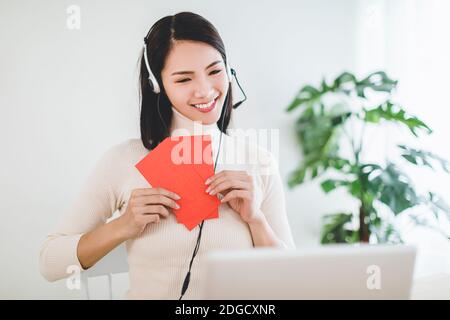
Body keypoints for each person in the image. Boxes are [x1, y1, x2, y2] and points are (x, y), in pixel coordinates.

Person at [39, 11, 295, 299]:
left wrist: (255, 219)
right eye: (184, 79)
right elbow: (49, 262)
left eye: (215, 71)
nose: (206, 90)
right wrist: (122, 226)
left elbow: (289, 283)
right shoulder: (124, 160)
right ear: (157, 85)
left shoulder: (258, 162)